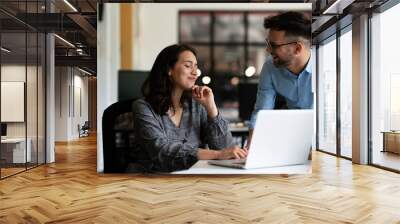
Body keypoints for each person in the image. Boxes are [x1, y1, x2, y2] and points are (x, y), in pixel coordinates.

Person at [129, 44, 247, 173]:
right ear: (169, 69)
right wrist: (217, 154)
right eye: (188, 65)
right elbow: (161, 152)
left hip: (193, 179)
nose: (195, 72)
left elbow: (226, 149)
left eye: (196, 67)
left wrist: (211, 108)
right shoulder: (143, 107)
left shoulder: (196, 106)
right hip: (150, 183)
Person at [247, 12, 313, 147]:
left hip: (321, 139)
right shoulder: (270, 67)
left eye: (274, 45)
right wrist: (253, 147)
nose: (267, 49)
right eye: (268, 43)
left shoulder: (325, 65)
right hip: (290, 136)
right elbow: (262, 111)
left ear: (297, 48)